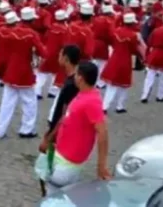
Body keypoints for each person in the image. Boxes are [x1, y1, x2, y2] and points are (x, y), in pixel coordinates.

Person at [36, 61, 110, 197]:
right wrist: (49, 138)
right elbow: (65, 117)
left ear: (80, 78)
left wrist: (101, 166)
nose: (74, 77)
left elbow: (102, 131)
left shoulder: (91, 101)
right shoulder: (82, 94)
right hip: (60, 155)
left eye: (76, 74)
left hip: (66, 164)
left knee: (53, 196)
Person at [0, 7, 47, 138]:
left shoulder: (10, 32)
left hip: (10, 70)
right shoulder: (32, 34)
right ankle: (26, 129)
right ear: (32, 20)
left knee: (7, 102)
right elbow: (43, 52)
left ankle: (0, 131)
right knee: (29, 102)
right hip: (25, 72)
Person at [101, 12, 146, 113]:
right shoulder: (133, 35)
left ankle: (105, 106)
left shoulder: (116, 31)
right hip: (125, 60)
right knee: (124, 85)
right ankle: (120, 106)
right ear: (132, 23)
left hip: (114, 58)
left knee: (112, 85)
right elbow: (134, 49)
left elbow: (112, 42)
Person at [42, 45, 81, 148]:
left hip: (61, 132)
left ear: (66, 59)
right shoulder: (72, 79)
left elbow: (65, 114)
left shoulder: (71, 84)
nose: (58, 57)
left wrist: (51, 135)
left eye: (60, 55)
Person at [141, 13, 163, 103]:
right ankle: (161, 96)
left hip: (154, 53)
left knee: (150, 76)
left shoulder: (156, 30)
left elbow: (149, 42)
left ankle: (145, 95)